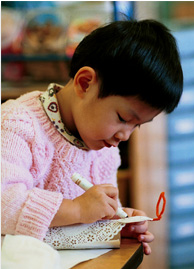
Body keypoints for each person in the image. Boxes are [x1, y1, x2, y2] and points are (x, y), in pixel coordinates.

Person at [1, 20, 183, 255]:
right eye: (123, 117)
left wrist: (113, 226)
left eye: (136, 126)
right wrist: (76, 209)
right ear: (85, 84)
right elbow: (3, 204)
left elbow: (80, 224)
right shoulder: (16, 123)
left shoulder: (106, 151)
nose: (124, 136)